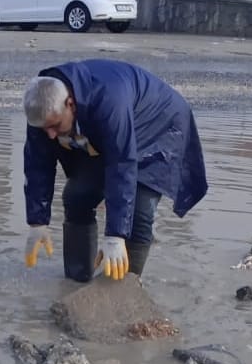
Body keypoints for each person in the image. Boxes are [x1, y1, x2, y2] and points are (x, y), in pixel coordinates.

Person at [21, 59, 208, 283]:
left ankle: (125, 288)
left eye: (55, 126)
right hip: (113, 128)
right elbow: (37, 164)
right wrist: (37, 222)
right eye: (44, 128)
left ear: (70, 104)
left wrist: (115, 236)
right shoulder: (43, 109)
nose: (50, 135)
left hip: (160, 124)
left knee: (139, 212)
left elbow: (121, 165)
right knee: (77, 196)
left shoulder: (108, 100)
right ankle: (77, 279)